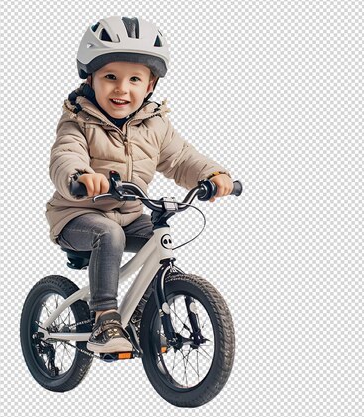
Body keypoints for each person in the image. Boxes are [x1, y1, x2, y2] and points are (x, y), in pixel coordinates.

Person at [45, 16, 234, 353]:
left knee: (159, 242)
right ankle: (105, 317)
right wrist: (80, 178)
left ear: (150, 86)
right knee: (109, 233)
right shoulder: (78, 119)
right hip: (77, 215)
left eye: (135, 79)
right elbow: (66, 155)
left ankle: (142, 319)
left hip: (131, 212)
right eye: (110, 77)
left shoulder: (155, 125)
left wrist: (213, 175)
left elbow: (180, 158)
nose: (122, 89)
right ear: (91, 79)